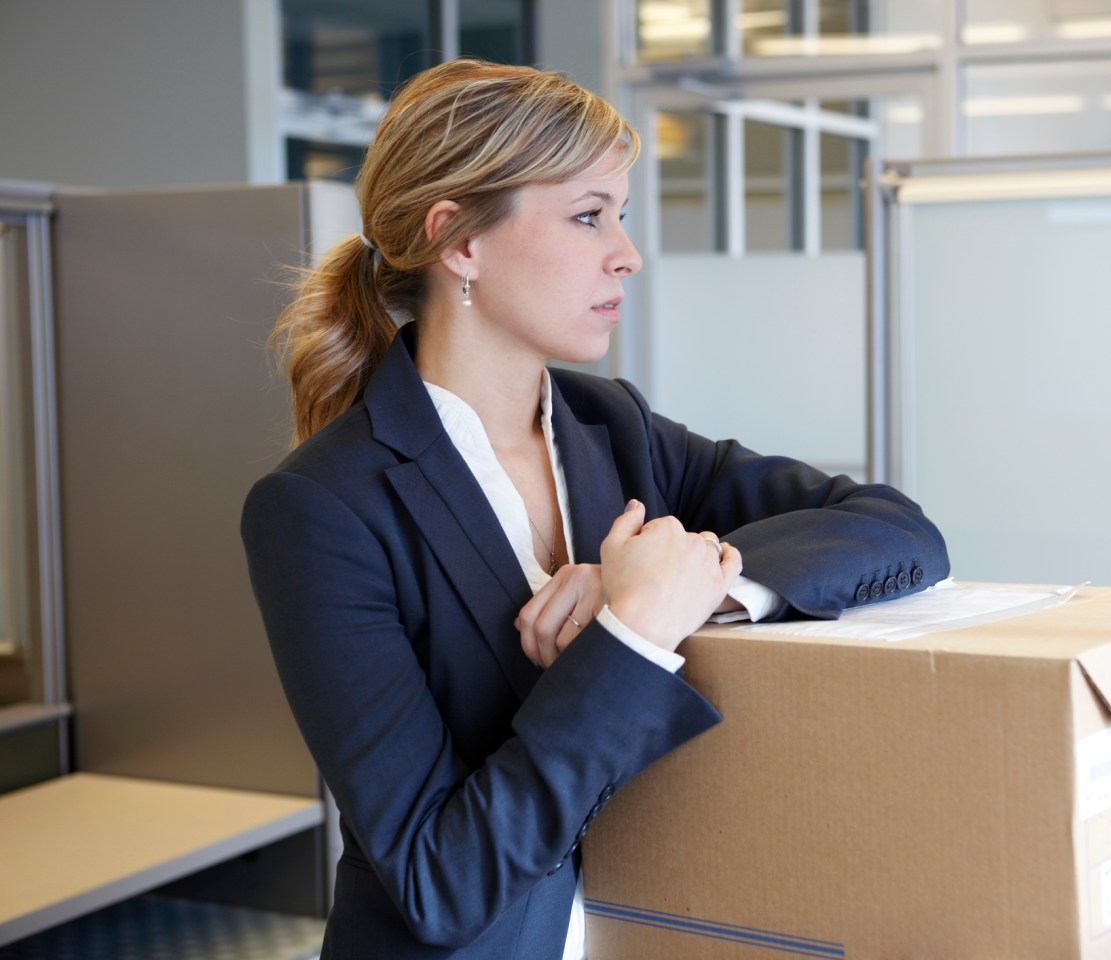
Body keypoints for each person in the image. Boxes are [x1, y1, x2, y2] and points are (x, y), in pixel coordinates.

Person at [241, 58, 949, 960]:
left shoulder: (613, 428)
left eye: (622, 214)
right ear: (458, 240)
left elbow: (896, 529)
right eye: (588, 216)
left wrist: (704, 586)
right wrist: (632, 634)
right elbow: (439, 881)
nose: (627, 251)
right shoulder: (322, 509)